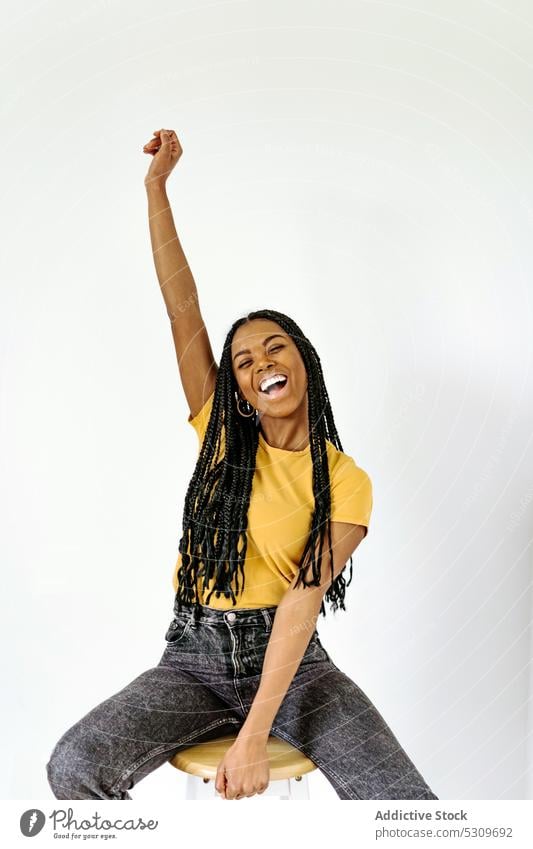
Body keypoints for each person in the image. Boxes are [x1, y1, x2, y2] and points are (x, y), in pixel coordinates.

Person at [45, 129, 438, 802]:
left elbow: (302, 599)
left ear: (303, 362)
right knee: (74, 765)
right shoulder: (221, 439)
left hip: (295, 668)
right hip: (192, 661)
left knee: (406, 808)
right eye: (245, 360)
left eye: (274, 347)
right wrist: (155, 189)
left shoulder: (346, 481)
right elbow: (182, 308)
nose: (261, 363)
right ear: (239, 388)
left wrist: (254, 733)